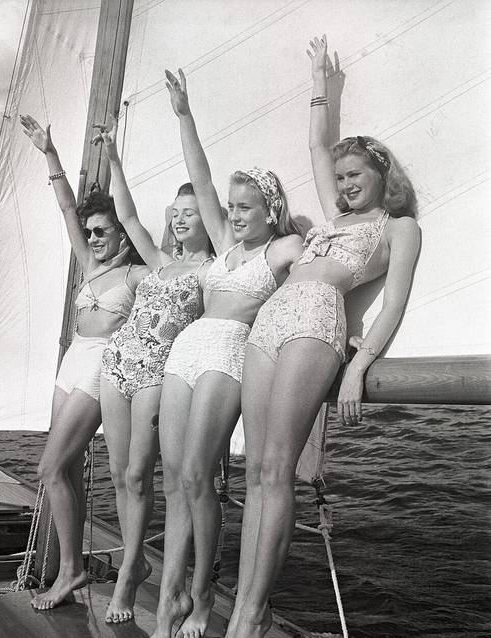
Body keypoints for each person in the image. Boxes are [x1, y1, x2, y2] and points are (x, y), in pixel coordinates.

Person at [225, 36, 420, 638]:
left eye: (354, 173)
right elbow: (316, 142)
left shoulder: (400, 227)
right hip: (272, 320)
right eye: (338, 176)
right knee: (256, 468)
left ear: (380, 173)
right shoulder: (333, 219)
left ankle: (252, 615)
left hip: (316, 319)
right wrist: (317, 84)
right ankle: (240, 611)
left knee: (278, 467)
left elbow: (392, 304)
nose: (343, 183)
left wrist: (360, 365)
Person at [150, 70, 303, 638]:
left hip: (227, 353)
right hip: (186, 351)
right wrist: (183, 112)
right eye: (232, 208)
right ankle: (169, 596)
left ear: (269, 208)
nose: (234, 215)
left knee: (197, 475)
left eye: (246, 207)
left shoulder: (285, 247)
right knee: (175, 479)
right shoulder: (225, 243)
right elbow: (201, 180)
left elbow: (325, 270)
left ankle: (202, 596)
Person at [19, 114, 148, 610]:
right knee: (65, 469)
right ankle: (69, 569)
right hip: (70, 360)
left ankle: (71, 570)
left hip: (101, 366)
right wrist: (49, 153)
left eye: (103, 230)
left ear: (122, 233)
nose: (92, 237)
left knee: (48, 467)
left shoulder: (136, 277)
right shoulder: (89, 265)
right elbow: (66, 208)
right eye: (90, 231)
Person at [94, 116, 215, 623]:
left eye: (193, 212)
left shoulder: (214, 270)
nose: (182, 219)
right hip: (118, 361)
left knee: (142, 474)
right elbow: (127, 214)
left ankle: (126, 577)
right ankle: (135, 560)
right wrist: (115, 161)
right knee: (120, 475)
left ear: (209, 219)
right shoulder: (160, 260)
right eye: (178, 212)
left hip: (156, 374)